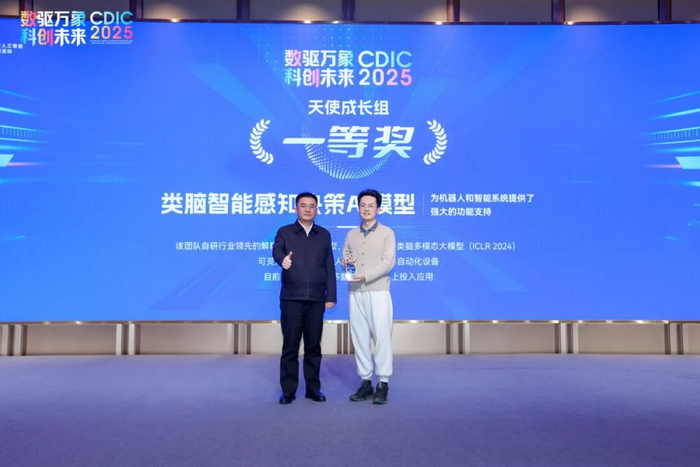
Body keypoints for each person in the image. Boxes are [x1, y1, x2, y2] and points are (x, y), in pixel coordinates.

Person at [272, 192, 337, 405]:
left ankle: (313, 389)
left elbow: (329, 266)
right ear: (296, 209)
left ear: (316, 209)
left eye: (311, 206)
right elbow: (276, 250)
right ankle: (288, 391)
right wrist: (282, 260)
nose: (308, 209)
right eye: (303, 205)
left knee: (313, 347)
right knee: (290, 347)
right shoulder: (285, 231)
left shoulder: (324, 234)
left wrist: (331, 295)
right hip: (291, 298)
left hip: (317, 299)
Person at [342, 189, 396, 405]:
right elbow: (346, 257)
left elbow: (388, 263)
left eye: (371, 205)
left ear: (378, 209)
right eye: (362, 205)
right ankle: (365, 381)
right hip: (355, 291)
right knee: (359, 336)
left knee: (382, 336)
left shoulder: (387, 233)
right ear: (358, 208)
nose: (366, 209)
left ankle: (383, 383)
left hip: (378, 291)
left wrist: (366, 276)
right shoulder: (351, 235)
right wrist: (345, 264)